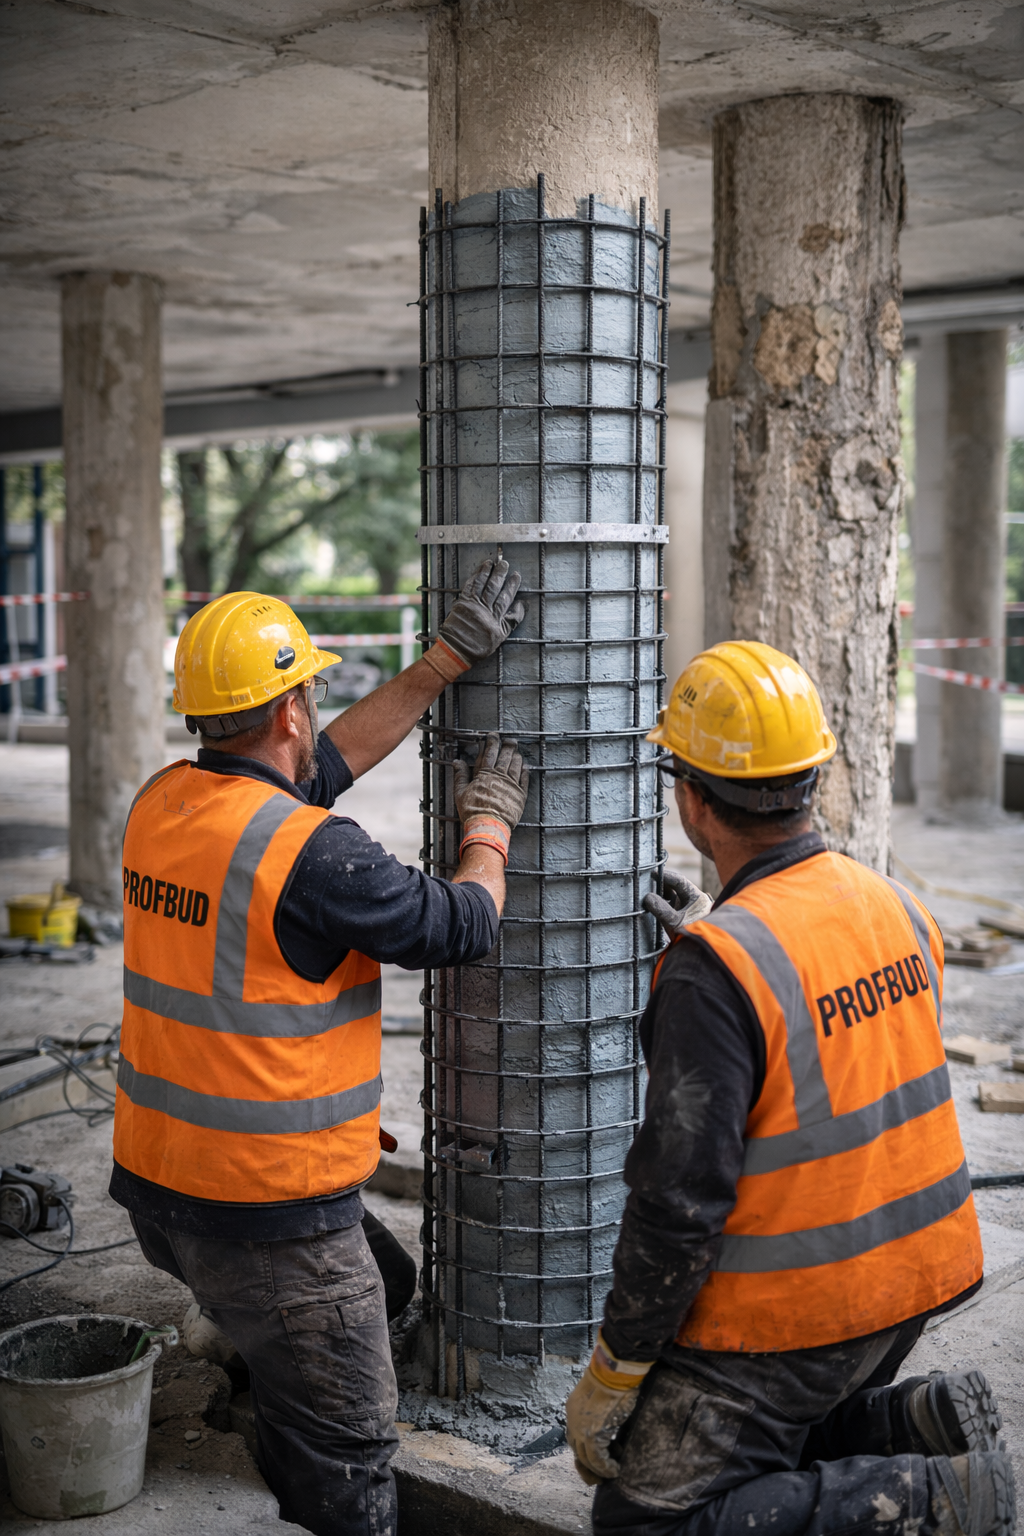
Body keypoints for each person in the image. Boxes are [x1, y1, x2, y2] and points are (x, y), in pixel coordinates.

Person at [111, 560, 530, 1536]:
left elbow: (321, 767)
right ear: (293, 707)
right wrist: (490, 826)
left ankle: (267, 1386)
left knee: (385, 1284)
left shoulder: (163, 804)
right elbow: (464, 924)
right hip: (265, 1224)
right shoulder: (316, 855)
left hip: (159, 1198)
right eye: (306, 696)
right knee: (351, 1450)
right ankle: (310, 1456)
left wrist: (442, 665)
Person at [566, 641, 1014, 1536]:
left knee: (643, 1520)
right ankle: (909, 1420)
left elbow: (678, 1209)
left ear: (692, 801)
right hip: (917, 1277)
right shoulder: (890, 903)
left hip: (802, 1311)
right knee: (773, 1433)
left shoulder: (714, 974)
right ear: (814, 777)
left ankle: (932, 1502)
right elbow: (825, 1027)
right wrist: (722, 937)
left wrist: (616, 1368)